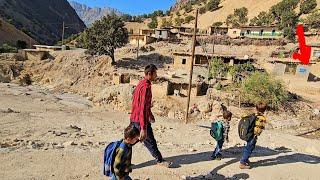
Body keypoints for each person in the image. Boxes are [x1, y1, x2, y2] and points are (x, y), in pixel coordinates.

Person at [130, 64, 172, 168]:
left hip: (134, 118)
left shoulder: (140, 84)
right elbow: (143, 108)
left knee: (130, 141)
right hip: (140, 120)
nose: (156, 76)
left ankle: (122, 161)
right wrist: (143, 128)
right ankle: (160, 160)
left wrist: (150, 115)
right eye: (155, 73)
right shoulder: (146, 87)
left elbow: (141, 104)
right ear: (149, 74)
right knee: (150, 141)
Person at [239, 102, 267, 169]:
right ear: (265, 110)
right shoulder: (261, 118)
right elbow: (258, 128)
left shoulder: (252, 115)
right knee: (249, 149)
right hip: (253, 136)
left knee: (248, 147)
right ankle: (242, 163)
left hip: (248, 134)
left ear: (256, 108)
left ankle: (246, 159)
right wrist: (256, 135)